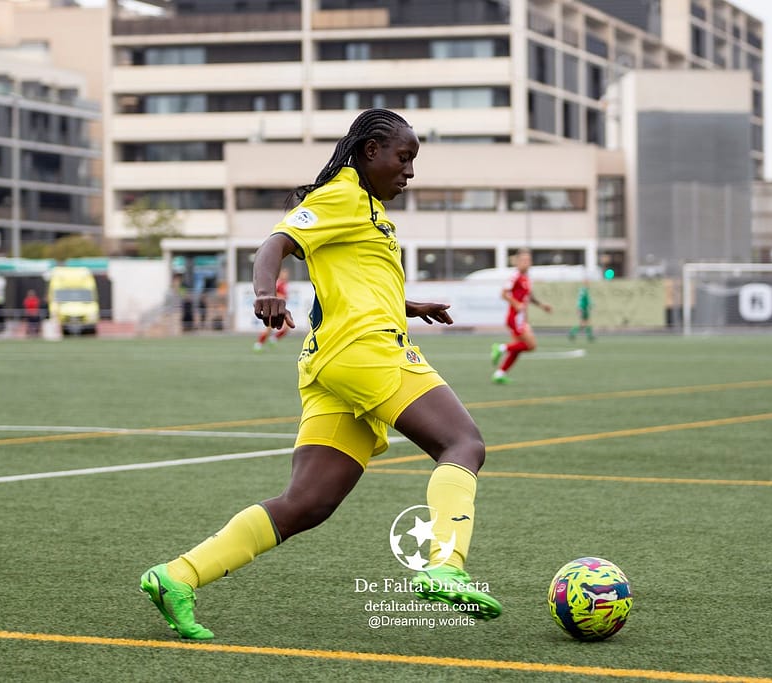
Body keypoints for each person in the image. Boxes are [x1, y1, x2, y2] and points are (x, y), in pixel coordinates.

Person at [140, 108, 502, 640]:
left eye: (413, 162)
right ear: (369, 152)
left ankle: (177, 576)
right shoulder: (344, 195)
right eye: (403, 158)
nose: (409, 172)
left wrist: (406, 304)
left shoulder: (371, 212)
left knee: (307, 503)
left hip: (331, 362)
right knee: (463, 444)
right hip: (364, 353)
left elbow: (353, 285)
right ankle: (444, 564)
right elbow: (276, 243)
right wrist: (265, 292)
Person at [490, 248, 552, 384]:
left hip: (521, 318)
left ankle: (500, 373)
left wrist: (542, 306)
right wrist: (516, 303)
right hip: (515, 318)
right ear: (517, 262)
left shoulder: (526, 278)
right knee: (531, 345)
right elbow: (504, 293)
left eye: (529, 260)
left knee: (518, 347)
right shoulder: (515, 276)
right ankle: (500, 348)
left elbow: (529, 297)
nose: (527, 262)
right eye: (524, 260)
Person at [253, 268, 290, 350]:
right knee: (269, 328)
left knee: (285, 327)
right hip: (275, 308)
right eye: (284, 273)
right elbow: (273, 295)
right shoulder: (278, 283)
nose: (286, 275)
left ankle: (272, 340)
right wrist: (282, 297)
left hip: (279, 308)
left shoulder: (284, 284)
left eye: (287, 274)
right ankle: (259, 344)